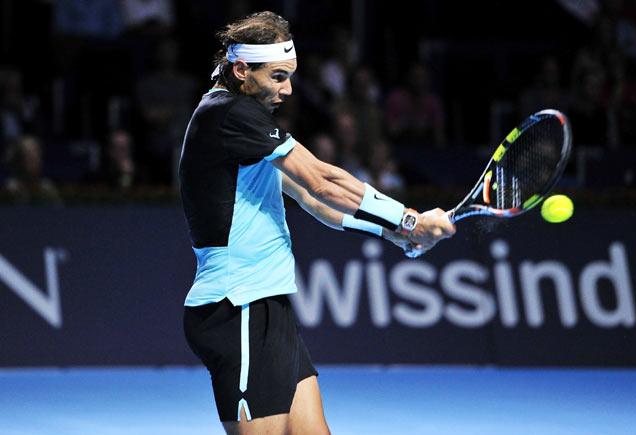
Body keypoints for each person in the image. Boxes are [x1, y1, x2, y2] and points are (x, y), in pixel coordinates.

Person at [178, 11, 455, 435]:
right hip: (238, 308)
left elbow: (307, 197)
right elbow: (323, 180)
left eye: (290, 76)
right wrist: (409, 217)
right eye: (278, 77)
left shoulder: (238, 120)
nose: (288, 89)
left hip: (269, 308)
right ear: (241, 70)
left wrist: (389, 232)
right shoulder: (229, 113)